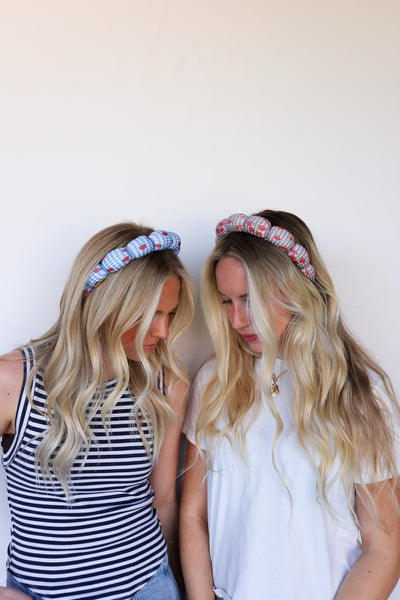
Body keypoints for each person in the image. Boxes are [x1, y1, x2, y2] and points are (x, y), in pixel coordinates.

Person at [180, 211, 400, 600]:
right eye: (226, 301)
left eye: (248, 299)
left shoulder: (359, 391)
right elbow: (193, 515)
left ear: (294, 289)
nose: (236, 320)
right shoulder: (214, 381)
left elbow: (384, 548)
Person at [0, 221, 194, 600]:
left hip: (150, 587)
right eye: (150, 314)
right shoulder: (13, 381)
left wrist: (176, 586)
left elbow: (164, 500)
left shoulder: (166, 385)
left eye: (169, 314)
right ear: (105, 305)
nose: (163, 332)